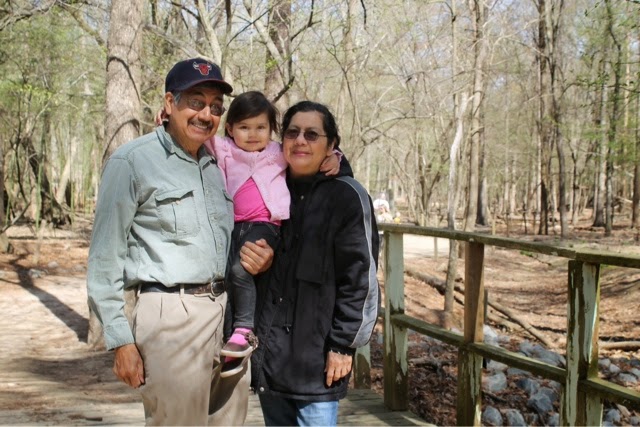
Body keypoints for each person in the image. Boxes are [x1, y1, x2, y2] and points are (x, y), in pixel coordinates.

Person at [86, 58, 271, 425]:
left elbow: (283, 159)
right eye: (196, 102)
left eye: (215, 107)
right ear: (169, 103)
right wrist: (120, 340)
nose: (206, 114)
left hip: (227, 317)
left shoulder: (219, 162)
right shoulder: (132, 162)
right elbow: (105, 259)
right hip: (170, 317)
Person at [249, 101, 380, 426]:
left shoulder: (347, 197)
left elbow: (360, 281)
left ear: (331, 144)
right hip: (271, 358)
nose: (300, 141)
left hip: (318, 362)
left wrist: (343, 345)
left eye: (312, 134)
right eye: (292, 132)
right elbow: (228, 148)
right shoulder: (267, 188)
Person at [202, 91, 339, 377]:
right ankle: (230, 342)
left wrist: (337, 157)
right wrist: (166, 121)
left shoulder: (277, 152)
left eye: (261, 127)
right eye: (244, 127)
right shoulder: (225, 149)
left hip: (265, 225)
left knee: (241, 270)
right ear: (230, 128)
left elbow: (311, 151)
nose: (253, 135)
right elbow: (197, 135)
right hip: (232, 227)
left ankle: (244, 329)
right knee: (227, 276)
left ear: (271, 130)